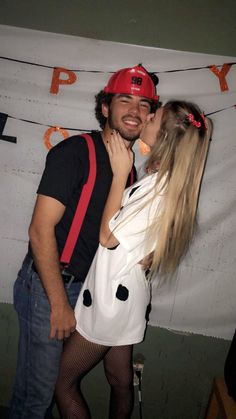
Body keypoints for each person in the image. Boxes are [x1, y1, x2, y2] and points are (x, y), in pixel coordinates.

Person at [9, 64, 159, 419]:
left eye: (143, 104)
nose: (135, 111)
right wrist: (59, 303)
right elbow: (39, 231)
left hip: (91, 292)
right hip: (51, 288)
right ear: (105, 107)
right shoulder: (75, 152)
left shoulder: (131, 170)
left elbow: (112, 236)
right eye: (125, 100)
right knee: (38, 395)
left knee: (61, 385)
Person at [55, 100, 213, 419]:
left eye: (154, 116)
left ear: (166, 137)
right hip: (126, 298)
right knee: (120, 380)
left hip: (110, 304)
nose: (147, 116)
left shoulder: (159, 189)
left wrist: (118, 174)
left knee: (63, 386)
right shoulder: (163, 180)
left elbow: (108, 237)